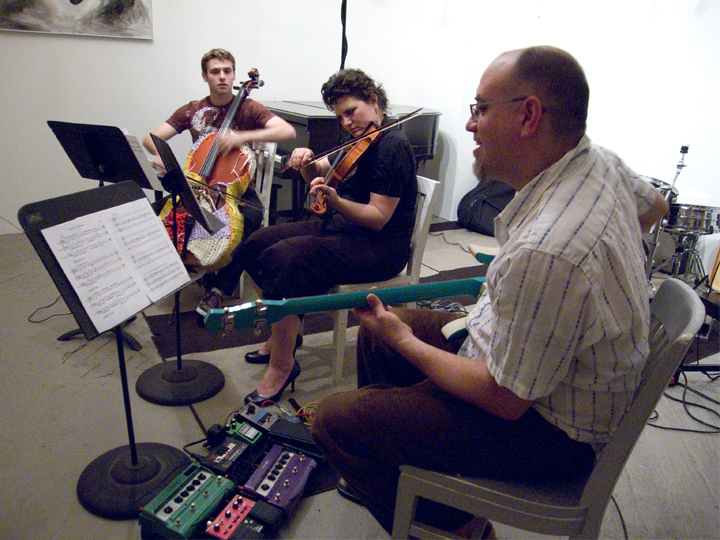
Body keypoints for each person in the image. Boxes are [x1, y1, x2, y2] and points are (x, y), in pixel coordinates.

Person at [310, 46, 670, 537]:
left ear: (529, 116)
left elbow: (505, 399)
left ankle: (457, 526)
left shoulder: (550, 249)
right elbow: (656, 209)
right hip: (526, 365)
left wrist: (406, 341)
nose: (469, 125)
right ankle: (398, 468)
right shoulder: (596, 160)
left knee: (336, 420)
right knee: (374, 337)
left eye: (480, 108)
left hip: (549, 430)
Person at [197, 68, 419, 405]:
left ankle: (283, 363)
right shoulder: (357, 138)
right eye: (339, 115)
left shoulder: (393, 146)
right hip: (342, 229)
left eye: (351, 112)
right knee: (257, 243)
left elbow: (377, 218)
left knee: (286, 259)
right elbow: (323, 169)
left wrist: (336, 200)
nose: (346, 122)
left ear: (373, 101)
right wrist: (304, 162)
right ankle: (285, 329)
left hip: (378, 246)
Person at [142, 48, 295, 265]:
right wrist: (163, 158)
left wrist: (241, 136)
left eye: (227, 71)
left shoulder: (248, 108)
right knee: (152, 215)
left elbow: (287, 131)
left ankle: (221, 288)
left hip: (236, 189)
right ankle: (174, 269)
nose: (222, 76)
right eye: (215, 72)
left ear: (234, 75)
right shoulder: (192, 110)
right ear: (205, 76)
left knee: (251, 218)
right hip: (197, 185)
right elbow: (150, 138)